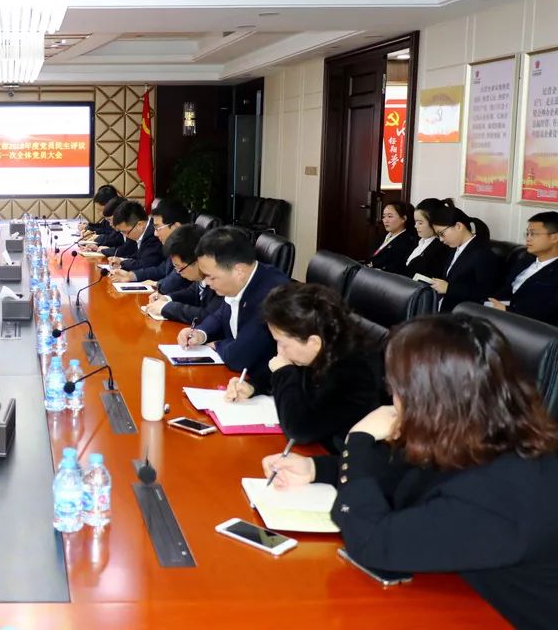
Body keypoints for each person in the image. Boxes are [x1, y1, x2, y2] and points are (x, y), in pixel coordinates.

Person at [262, 315, 558, 630]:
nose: (393, 398)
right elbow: (407, 472)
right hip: (458, 597)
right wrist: (317, 468)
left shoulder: (501, 491)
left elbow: (373, 543)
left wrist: (358, 441)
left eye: (398, 389)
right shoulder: (485, 428)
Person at [227, 283, 386, 451]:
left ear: (313, 343)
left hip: (335, 457)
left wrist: (283, 372)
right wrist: (252, 386)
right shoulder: (318, 342)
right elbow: (276, 371)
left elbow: (299, 431)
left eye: (282, 344)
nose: (279, 351)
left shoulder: (355, 374)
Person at [176, 227, 290, 389]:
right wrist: (200, 333)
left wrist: (217, 345)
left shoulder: (273, 295)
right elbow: (221, 313)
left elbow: (239, 357)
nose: (206, 282)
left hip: (263, 386)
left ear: (239, 271)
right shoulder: (241, 281)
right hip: (238, 380)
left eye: (211, 277)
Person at [145, 224, 224, 324]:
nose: (178, 272)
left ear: (198, 261)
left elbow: (207, 316)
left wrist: (167, 307)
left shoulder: (221, 280)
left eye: (180, 267)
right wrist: (167, 298)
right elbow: (192, 292)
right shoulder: (200, 276)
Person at [489, 211, 558, 325]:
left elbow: (548, 313)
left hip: (529, 327)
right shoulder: (525, 259)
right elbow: (506, 290)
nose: (528, 238)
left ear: (554, 237)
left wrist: (507, 311)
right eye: (527, 233)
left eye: (533, 234)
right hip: (499, 315)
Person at [427, 205, 500, 312]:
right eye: (438, 236)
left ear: (458, 226)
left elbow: (486, 294)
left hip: (464, 314)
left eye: (442, 234)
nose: (441, 239)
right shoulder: (455, 248)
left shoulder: (482, 254)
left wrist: (449, 288)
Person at [109, 198, 190, 286]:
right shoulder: (176, 246)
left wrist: (158, 284)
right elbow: (161, 270)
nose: (155, 233)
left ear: (176, 226)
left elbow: (179, 282)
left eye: (158, 228)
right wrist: (131, 276)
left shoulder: (189, 247)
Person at [401, 197, 453, 280]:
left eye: (420, 223)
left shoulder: (442, 248)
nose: (416, 226)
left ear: (434, 222)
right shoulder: (416, 241)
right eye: (415, 222)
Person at [367, 201, 416, 272]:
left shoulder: (407, 242)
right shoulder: (383, 236)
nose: (385, 220)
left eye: (390, 216)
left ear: (404, 218)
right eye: (384, 216)